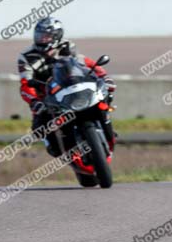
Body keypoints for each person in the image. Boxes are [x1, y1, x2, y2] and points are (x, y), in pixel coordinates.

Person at [17, 17, 116, 157]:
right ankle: (61, 146)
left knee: (104, 96)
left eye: (46, 36)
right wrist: (34, 101)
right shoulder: (26, 56)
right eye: (39, 36)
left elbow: (86, 64)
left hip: (72, 88)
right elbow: (25, 84)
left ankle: (105, 124)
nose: (41, 40)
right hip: (46, 97)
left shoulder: (68, 47)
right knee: (40, 130)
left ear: (57, 36)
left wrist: (104, 77)